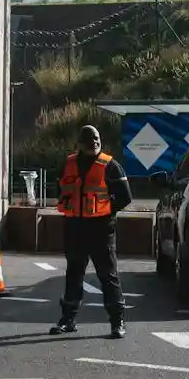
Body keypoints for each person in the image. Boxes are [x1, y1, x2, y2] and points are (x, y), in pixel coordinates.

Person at [50, 124, 133, 338]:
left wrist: (106, 211)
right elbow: (58, 189)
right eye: (89, 139)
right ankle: (68, 319)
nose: (94, 142)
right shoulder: (68, 164)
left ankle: (117, 322)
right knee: (74, 274)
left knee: (108, 275)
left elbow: (125, 197)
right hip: (75, 227)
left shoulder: (111, 165)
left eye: (97, 138)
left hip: (101, 229)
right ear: (79, 143)